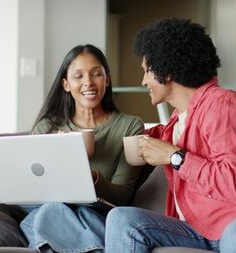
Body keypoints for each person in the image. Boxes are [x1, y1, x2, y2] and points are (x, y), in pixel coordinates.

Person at [104, 18, 236, 253]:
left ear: (167, 69)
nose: (144, 81)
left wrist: (176, 157)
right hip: (195, 229)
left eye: (147, 71)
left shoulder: (224, 106)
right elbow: (134, 139)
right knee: (121, 220)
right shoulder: (176, 122)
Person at [19, 44, 145, 253]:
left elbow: (123, 197)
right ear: (66, 84)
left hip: (96, 216)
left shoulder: (130, 126)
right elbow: (31, 193)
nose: (88, 82)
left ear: (108, 79)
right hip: (52, 213)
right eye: (78, 76)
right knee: (49, 211)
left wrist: (92, 177)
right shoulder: (47, 128)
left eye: (96, 74)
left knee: (53, 215)